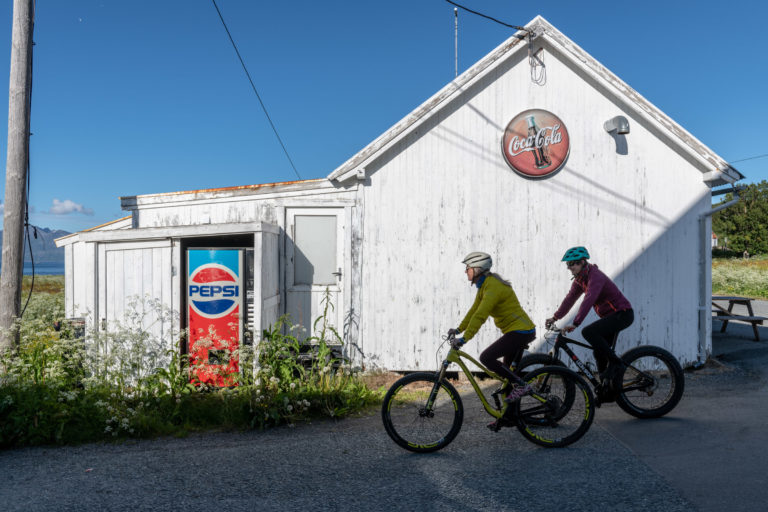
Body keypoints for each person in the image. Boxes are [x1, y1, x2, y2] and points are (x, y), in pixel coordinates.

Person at [449, 251, 536, 404]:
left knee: (486, 358)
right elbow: (474, 311)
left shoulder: (493, 286)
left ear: (477, 269)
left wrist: (464, 339)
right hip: (516, 331)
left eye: (467, 268)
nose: (465, 271)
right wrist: (458, 329)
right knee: (507, 375)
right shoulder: (485, 285)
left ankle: (523, 386)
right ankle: (509, 417)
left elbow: (481, 315)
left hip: (521, 331)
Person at [545, 246, 634, 389]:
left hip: (622, 314)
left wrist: (576, 323)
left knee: (588, 332)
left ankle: (616, 363)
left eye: (570, 264)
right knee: (598, 351)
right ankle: (605, 387)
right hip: (612, 316)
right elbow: (570, 299)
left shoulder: (595, 276)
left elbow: (589, 299)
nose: (568, 268)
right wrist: (555, 317)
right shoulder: (580, 280)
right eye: (567, 264)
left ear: (581, 262)